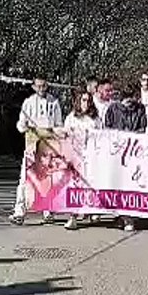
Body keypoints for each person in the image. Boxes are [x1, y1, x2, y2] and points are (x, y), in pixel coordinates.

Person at [9, 78, 63, 225]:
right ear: (33, 86)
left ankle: (48, 210)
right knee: (25, 179)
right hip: (32, 146)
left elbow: (58, 125)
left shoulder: (54, 103)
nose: (41, 88)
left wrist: (53, 133)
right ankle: (19, 211)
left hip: (48, 147)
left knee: (48, 178)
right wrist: (27, 127)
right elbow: (20, 126)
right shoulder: (28, 103)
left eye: (43, 85)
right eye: (38, 86)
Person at [103, 82, 148, 232]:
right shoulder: (113, 109)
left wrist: (133, 137)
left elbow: (142, 128)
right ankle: (121, 215)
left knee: (131, 184)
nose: (129, 102)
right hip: (117, 153)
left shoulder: (140, 109)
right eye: (126, 98)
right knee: (118, 184)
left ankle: (130, 216)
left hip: (134, 152)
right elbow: (107, 129)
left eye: (131, 98)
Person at [62, 89, 99, 230]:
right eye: (83, 100)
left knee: (89, 185)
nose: (86, 103)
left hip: (90, 156)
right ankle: (73, 217)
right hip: (75, 156)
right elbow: (65, 136)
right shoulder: (71, 118)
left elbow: (100, 137)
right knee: (74, 186)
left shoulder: (95, 119)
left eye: (88, 101)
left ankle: (91, 211)